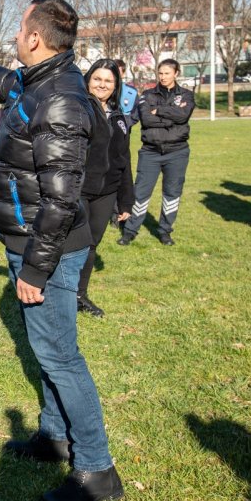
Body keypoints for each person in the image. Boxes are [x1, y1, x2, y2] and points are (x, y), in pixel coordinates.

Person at [0, 0, 124, 501]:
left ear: (34, 38)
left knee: (61, 356)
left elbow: (60, 198)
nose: (14, 37)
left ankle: (97, 469)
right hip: (29, 243)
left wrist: (35, 267)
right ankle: (54, 437)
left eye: (18, 29)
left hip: (47, 251)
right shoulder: (37, 83)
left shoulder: (60, 100)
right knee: (49, 351)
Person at [77, 60, 134, 318]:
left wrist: (125, 201)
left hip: (106, 191)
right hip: (78, 188)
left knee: (91, 243)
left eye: (108, 81)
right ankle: (58, 293)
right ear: (88, 80)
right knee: (70, 243)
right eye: (97, 79)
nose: (102, 84)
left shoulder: (120, 117)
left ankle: (80, 294)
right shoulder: (79, 108)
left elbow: (124, 159)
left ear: (116, 85)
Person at [118, 58, 195, 247]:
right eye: (160, 73)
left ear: (176, 73)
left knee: (172, 192)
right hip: (150, 152)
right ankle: (129, 231)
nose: (163, 77)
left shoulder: (186, 95)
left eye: (167, 73)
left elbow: (183, 115)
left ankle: (165, 231)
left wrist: (158, 111)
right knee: (141, 192)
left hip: (177, 151)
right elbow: (146, 118)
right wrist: (171, 115)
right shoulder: (148, 94)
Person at [113, 59, 139, 128]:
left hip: (124, 134)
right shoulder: (101, 89)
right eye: (112, 72)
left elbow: (136, 114)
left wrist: (124, 125)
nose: (114, 75)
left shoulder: (132, 93)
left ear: (123, 74)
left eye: (118, 72)